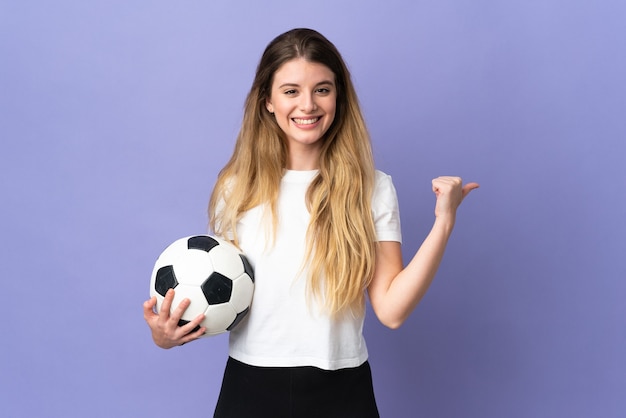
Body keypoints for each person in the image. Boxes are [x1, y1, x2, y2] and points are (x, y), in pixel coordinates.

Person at [143, 28, 478, 417]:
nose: (308, 105)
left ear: (339, 96)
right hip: (248, 390)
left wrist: (444, 221)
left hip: (341, 392)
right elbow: (219, 295)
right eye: (291, 91)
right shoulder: (235, 189)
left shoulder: (371, 188)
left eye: (322, 89)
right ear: (267, 100)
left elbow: (392, 310)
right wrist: (167, 335)